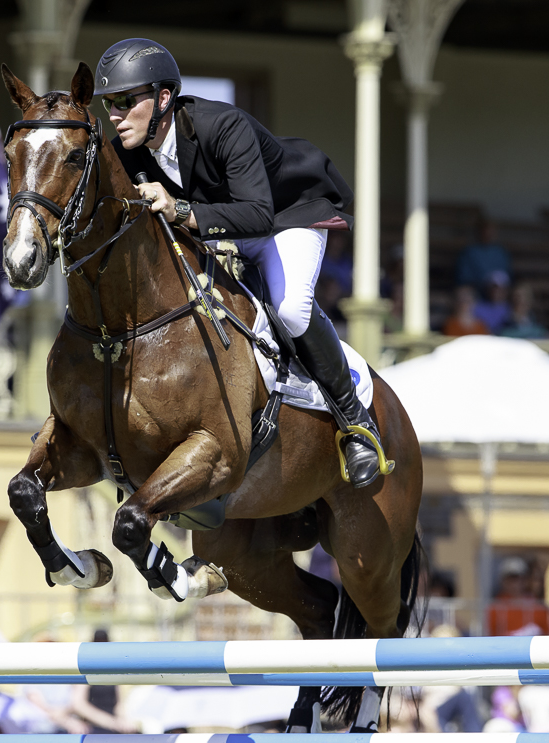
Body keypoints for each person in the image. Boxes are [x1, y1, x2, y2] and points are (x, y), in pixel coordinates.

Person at [95, 39, 383, 488]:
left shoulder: (222, 124)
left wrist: (181, 211)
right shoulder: (128, 149)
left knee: (289, 310)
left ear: (164, 98)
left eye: (124, 101)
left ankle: (357, 423)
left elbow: (257, 214)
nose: (114, 114)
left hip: (285, 219)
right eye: (108, 103)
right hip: (220, 229)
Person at [69, 630, 138, 733]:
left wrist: (124, 722)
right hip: (94, 725)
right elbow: (79, 705)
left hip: (113, 725)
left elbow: (119, 705)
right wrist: (110, 722)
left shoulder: (114, 671)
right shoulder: (85, 670)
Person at [487, 556, 549, 636]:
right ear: (503, 580)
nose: (515, 582)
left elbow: (547, 632)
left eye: (518, 577)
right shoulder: (495, 606)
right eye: (511, 578)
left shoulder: (536, 605)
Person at [455, 217, 511, 291]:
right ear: (479, 232)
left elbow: (507, 275)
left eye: (492, 230)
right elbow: (464, 277)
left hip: (499, 292)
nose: (489, 233)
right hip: (476, 292)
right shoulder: (469, 252)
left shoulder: (501, 252)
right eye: (486, 230)